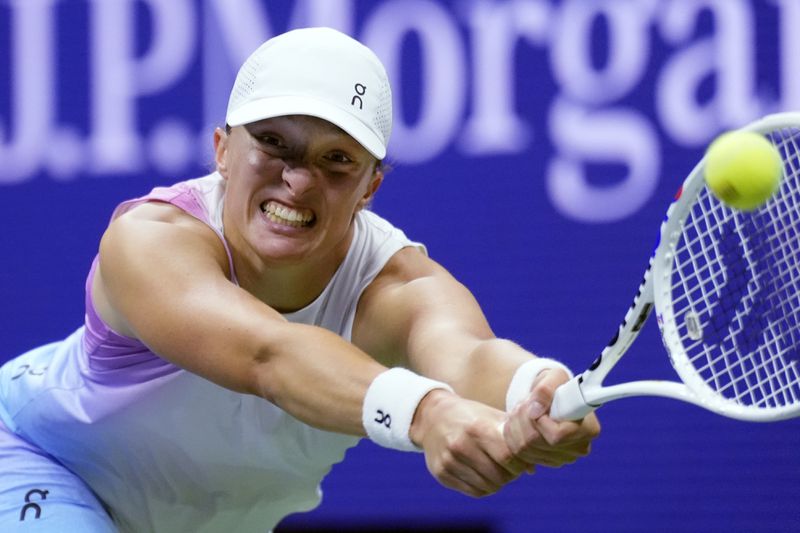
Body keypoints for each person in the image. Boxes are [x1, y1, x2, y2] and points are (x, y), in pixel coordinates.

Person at [0, 27, 600, 532]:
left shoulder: (395, 285)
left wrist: (535, 390)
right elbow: (269, 355)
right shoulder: (150, 240)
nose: (300, 180)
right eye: (272, 143)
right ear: (222, 150)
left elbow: (469, 356)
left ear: (371, 187)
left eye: (336, 159)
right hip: (38, 460)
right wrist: (427, 414)